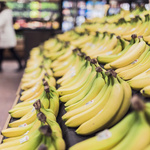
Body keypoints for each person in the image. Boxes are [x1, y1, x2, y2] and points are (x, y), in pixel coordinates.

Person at [0, 1, 23, 72]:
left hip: (6, 35)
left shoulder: (5, 13)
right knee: (2, 52)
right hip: (5, 35)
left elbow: (1, 23)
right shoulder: (6, 12)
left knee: (10, 51)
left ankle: (20, 65)